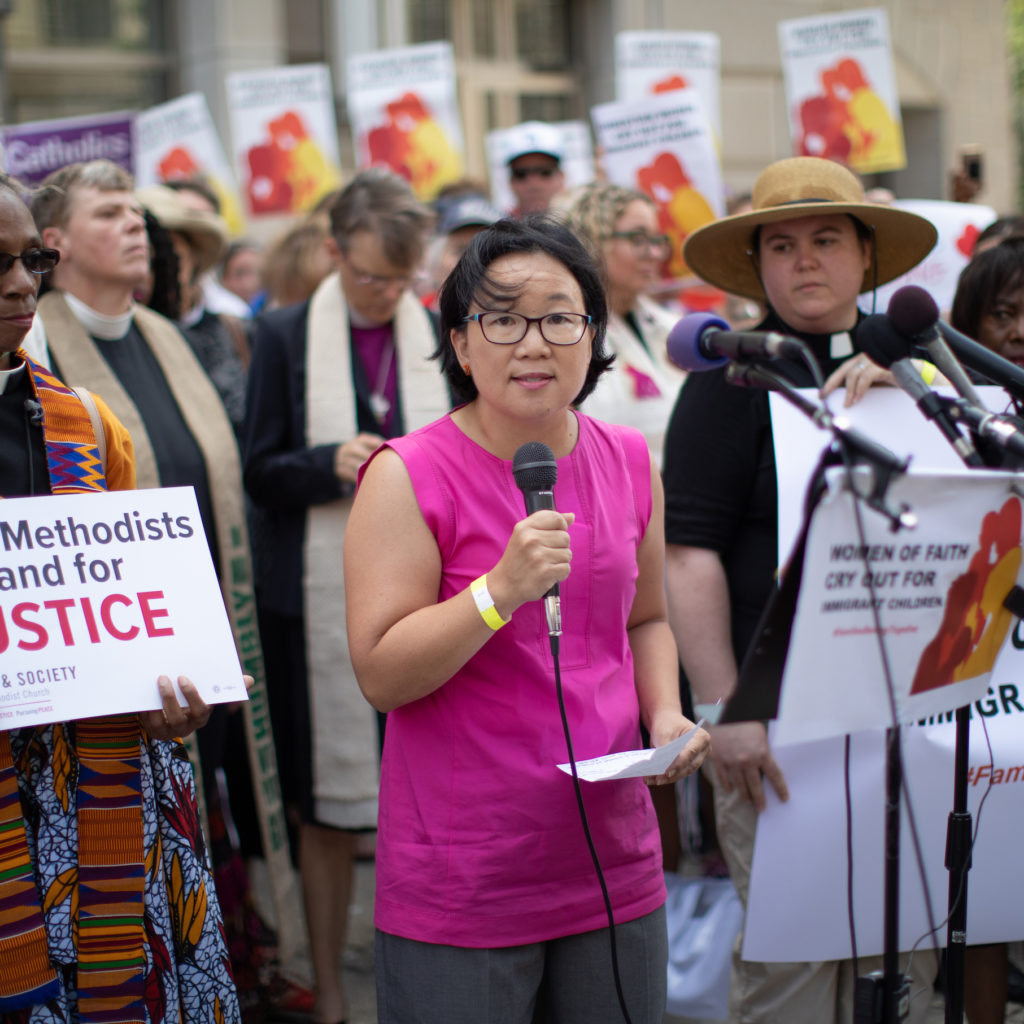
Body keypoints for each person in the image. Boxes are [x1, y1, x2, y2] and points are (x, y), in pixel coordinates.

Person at [344, 216, 710, 1023]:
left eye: (558, 317)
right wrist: (496, 592)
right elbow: (381, 673)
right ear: (461, 344)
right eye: (501, 319)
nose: (533, 344)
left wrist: (665, 713)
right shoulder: (406, 474)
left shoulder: (626, 457)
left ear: (592, 333)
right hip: (467, 869)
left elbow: (647, 619)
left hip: (611, 853)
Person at [662, 156, 939, 1023]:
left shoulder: (924, 374)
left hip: (909, 716)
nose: (805, 260)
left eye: (825, 239)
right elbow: (688, 556)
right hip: (772, 724)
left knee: (908, 957)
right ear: (759, 268)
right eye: (781, 245)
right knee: (793, 970)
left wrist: (911, 404)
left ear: (867, 256)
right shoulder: (727, 380)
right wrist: (723, 707)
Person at [28, 159, 294, 1015]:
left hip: (206, 627)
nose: (137, 225)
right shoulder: (35, 357)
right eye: (111, 213)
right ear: (54, 243)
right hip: (110, 659)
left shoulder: (167, 334)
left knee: (207, 814)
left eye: (137, 212)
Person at [243, 167, 445, 1024]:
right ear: (333, 252)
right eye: (369, 276)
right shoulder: (287, 334)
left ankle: (428, 978)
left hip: (422, 594)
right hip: (315, 602)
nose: (384, 294)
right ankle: (329, 987)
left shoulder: (435, 330)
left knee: (427, 792)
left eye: (400, 280)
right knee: (325, 809)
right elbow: (256, 470)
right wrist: (325, 461)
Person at [560, 182, 685, 467]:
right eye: (637, 239)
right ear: (594, 240)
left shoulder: (672, 327)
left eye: (657, 240)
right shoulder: (567, 335)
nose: (654, 253)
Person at [503, 120, 566, 217]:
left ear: (561, 176)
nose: (534, 184)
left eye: (545, 172)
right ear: (510, 181)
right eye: (521, 174)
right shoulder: (494, 226)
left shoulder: (582, 227)